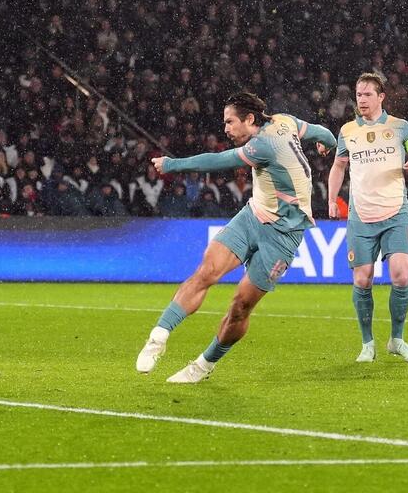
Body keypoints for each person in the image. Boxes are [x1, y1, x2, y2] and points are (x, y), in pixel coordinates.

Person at [136, 92, 336, 383]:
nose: (226, 129)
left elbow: (216, 161)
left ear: (250, 119)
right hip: (253, 217)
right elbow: (324, 133)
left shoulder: (262, 145)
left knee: (240, 307)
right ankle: (158, 337)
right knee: (206, 271)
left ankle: (203, 365)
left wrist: (172, 165)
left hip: (284, 234)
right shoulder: (286, 121)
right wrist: (326, 144)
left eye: (230, 122)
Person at [327, 72, 408, 364]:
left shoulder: (400, 127)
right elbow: (339, 166)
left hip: (396, 212)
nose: (361, 100)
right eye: (358, 95)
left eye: (367, 94)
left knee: (401, 275)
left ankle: (396, 340)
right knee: (363, 280)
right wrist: (332, 199)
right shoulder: (347, 130)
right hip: (361, 216)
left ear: (381, 97)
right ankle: (367, 344)